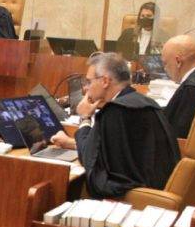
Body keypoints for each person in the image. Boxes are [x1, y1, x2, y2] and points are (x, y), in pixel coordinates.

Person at [50, 52, 180, 199]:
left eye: (89, 81)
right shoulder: (147, 103)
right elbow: (106, 147)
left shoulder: (115, 111)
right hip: (155, 185)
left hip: (130, 198)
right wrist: (71, 142)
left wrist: (85, 118)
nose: (85, 88)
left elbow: (89, 158)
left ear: (105, 81)